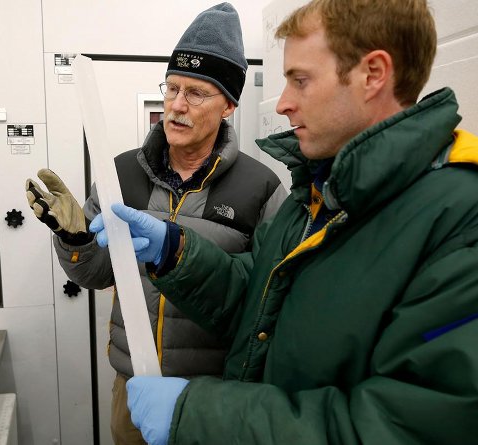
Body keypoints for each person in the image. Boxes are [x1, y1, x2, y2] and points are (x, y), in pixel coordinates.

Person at [89, 0, 478, 443]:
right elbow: (257, 297)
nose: (282, 103)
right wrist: (176, 252)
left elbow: (422, 426)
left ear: (373, 74)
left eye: (299, 81)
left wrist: (200, 415)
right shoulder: (317, 199)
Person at [24, 3, 288, 444]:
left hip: (214, 396)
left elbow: (264, 305)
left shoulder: (259, 189)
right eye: (172, 88)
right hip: (133, 388)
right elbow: (95, 272)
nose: (177, 106)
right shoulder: (120, 175)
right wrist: (73, 239)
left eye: (196, 93)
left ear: (228, 105)